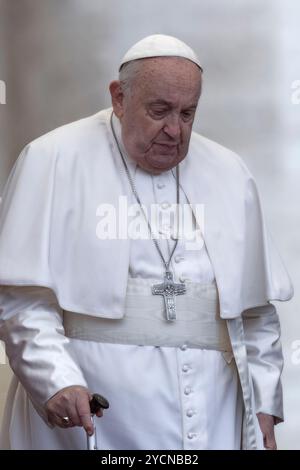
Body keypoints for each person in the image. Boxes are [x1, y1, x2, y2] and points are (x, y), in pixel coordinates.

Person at [0, 34, 293, 450]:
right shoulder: (53, 159)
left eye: (188, 114)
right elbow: (22, 300)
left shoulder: (229, 172)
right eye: (160, 111)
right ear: (119, 98)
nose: (175, 130)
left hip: (215, 417)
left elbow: (257, 314)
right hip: (93, 418)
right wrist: (57, 382)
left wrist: (264, 405)